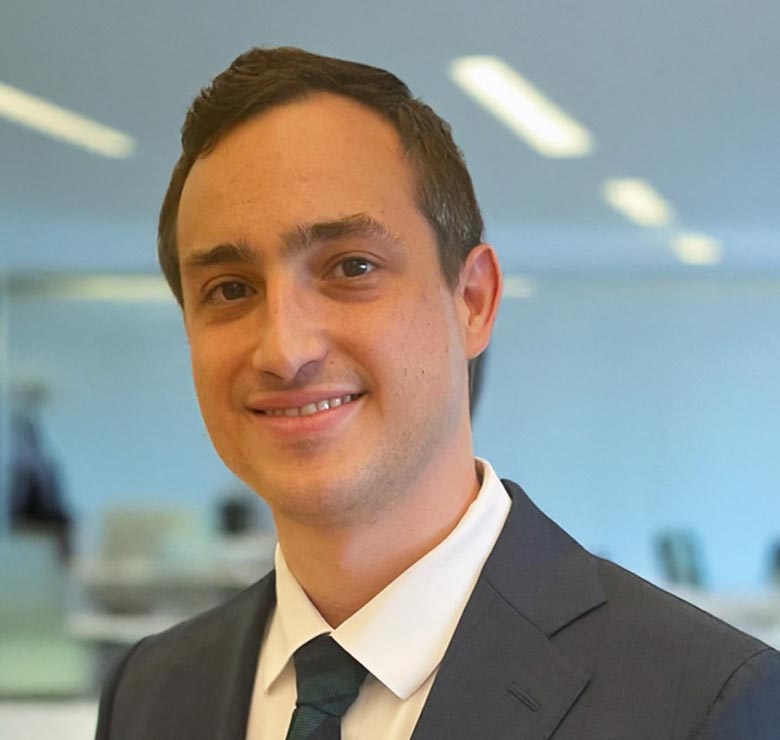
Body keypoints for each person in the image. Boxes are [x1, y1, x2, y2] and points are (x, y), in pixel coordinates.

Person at [95, 47, 780, 739]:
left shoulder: (706, 702)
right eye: (231, 289)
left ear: (473, 301)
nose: (284, 350)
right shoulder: (149, 693)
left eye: (351, 267)